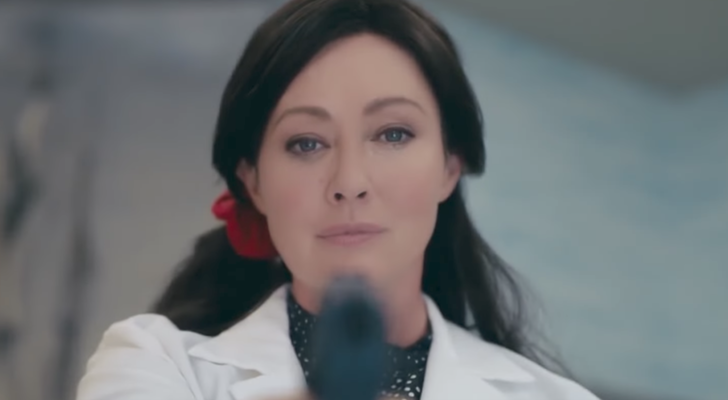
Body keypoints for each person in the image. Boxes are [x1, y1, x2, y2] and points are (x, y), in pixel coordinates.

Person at [76, 0, 601, 399]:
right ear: (253, 182)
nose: (349, 181)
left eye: (393, 134)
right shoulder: (156, 365)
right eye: (306, 143)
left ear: (449, 166)